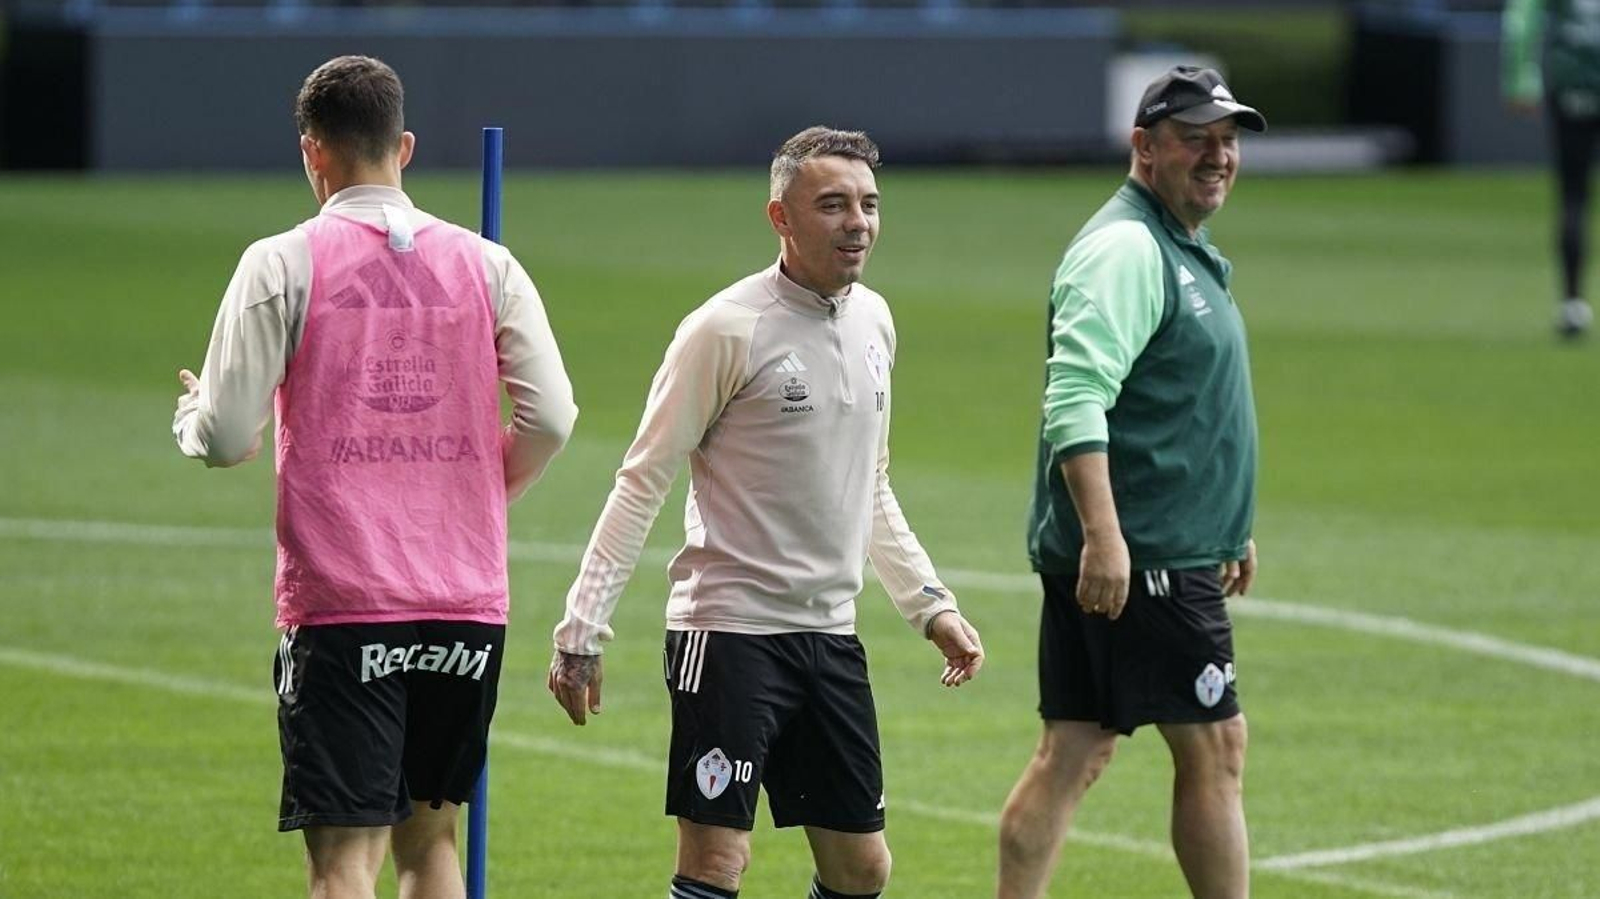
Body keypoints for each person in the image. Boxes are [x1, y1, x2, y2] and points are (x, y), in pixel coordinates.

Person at [171, 55, 577, 899]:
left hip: (346, 599)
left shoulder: (283, 261)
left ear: (312, 152)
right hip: (463, 601)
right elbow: (552, 417)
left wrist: (193, 418)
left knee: (343, 860)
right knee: (431, 845)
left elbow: (225, 433)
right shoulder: (487, 264)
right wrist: (477, 491)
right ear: (406, 146)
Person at [546, 126, 984, 899]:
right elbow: (642, 480)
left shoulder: (876, 321)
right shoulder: (725, 329)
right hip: (729, 633)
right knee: (717, 860)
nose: (858, 222)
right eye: (834, 204)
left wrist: (929, 603)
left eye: (870, 204)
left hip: (830, 634)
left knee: (862, 867)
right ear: (780, 217)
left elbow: (872, 482)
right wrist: (581, 630)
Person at [995, 66, 1264, 899]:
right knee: (1214, 746)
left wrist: (1226, 524)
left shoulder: (1172, 245)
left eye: (1228, 139)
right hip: (1144, 554)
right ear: (1144, 146)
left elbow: (1174, 404)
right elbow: (1076, 396)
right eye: (1195, 139)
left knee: (1074, 749)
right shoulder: (1127, 249)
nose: (1218, 155)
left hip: (1160, 543)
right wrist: (1107, 536)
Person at [1505, 0, 1600, 338]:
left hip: (1570, 84)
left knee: (1573, 195)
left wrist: (1519, 80)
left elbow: (1520, 21)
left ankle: (1572, 305)